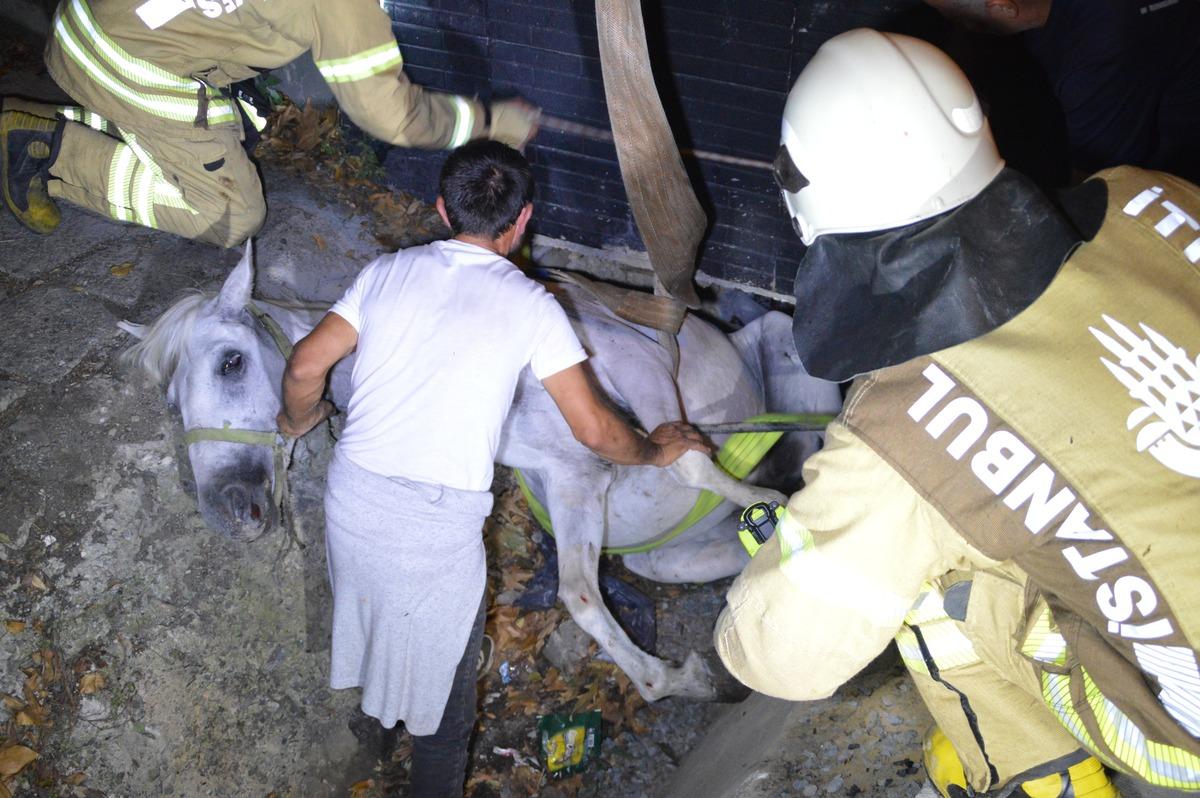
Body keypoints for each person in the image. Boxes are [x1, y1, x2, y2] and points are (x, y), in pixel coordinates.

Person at [718, 27, 1200, 798]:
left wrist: (798, 551)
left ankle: (1042, 779)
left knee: (927, 586)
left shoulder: (907, 428)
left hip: (1188, 734)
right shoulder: (1153, 196)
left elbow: (782, 657)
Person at [276, 140, 709, 795]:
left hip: (354, 498)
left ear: (442, 209)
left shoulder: (386, 272)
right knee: (447, 721)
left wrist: (295, 421)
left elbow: (307, 366)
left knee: (372, 608)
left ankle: (373, 732)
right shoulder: (534, 306)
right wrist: (657, 448)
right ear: (524, 220)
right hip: (433, 530)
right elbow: (593, 431)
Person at [0, 0, 540, 244]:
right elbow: (388, 112)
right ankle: (47, 149)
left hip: (89, 19)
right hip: (126, 60)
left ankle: (29, 123)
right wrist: (487, 121)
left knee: (222, 128)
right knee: (232, 215)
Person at [923, 0, 1200, 184]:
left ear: (1005, 9)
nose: (958, 24)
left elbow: (1098, 184)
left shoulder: (1099, 56)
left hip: (1178, 150)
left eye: (957, 18)